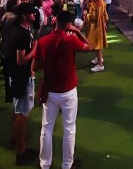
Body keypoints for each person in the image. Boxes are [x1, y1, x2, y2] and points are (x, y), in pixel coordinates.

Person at [33, 11, 91, 169]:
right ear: (68, 24)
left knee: (46, 128)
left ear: (55, 21)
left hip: (50, 90)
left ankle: (45, 164)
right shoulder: (70, 40)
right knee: (69, 128)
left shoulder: (43, 41)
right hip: (68, 90)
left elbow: (35, 66)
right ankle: (67, 164)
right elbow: (90, 46)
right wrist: (77, 32)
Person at [9, 2, 38, 166]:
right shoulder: (23, 34)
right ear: (24, 16)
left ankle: (16, 137)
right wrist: (35, 49)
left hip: (17, 75)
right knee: (22, 112)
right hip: (21, 77)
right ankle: (21, 151)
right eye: (31, 13)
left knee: (18, 109)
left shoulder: (19, 30)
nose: (34, 14)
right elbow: (21, 60)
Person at [83, 0, 108, 72]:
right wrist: (105, 24)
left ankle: (100, 65)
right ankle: (99, 58)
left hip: (95, 27)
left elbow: (92, 18)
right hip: (101, 26)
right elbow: (105, 15)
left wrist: (86, 15)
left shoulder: (93, 6)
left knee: (97, 46)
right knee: (98, 44)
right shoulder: (103, 3)